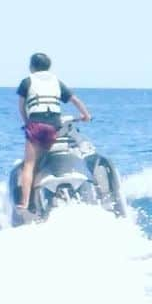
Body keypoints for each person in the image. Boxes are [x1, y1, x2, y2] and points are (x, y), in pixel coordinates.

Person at [15, 53, 91, 219]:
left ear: (31, 66)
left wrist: (27, 122)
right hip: (53, 127)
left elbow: (21, 107)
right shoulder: (56, 82)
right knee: (45, 157)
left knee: (29, 165)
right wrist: (86, 115)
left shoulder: (27, 81)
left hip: (36, 126)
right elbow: (75, 100)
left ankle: (26, 203)